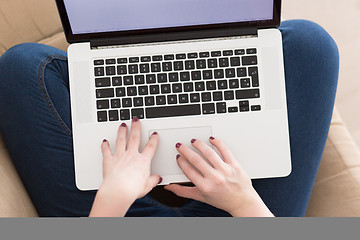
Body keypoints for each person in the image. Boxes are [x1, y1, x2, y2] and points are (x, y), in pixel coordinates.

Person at [0, 20, 339, 217]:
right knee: (311, 44)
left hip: (118, 216)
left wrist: (112, 199)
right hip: (241, 217)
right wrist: (244, 201)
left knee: (22, 66)